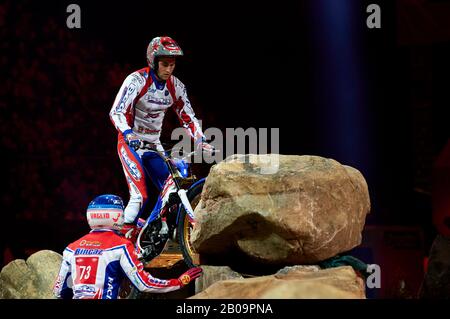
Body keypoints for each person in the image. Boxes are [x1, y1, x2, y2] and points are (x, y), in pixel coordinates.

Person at [109, 36, 214, 238]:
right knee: (140, 196)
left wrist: (200, 140)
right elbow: (116, 112)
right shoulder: (136, 81)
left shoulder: (177, 86)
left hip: (153, 144)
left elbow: (189, 117)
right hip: (130, 143)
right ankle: (118, 241)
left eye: (172, 64)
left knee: (170, 189)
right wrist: (128, 133)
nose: (169, 69)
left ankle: (152, 230)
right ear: (153, 61)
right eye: (165, 64)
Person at [53, 194, 202, 299]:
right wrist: (179, 282)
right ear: (116, 215)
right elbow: (144, 283)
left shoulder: (71, 248)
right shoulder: (121, 246)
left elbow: (59, 290)